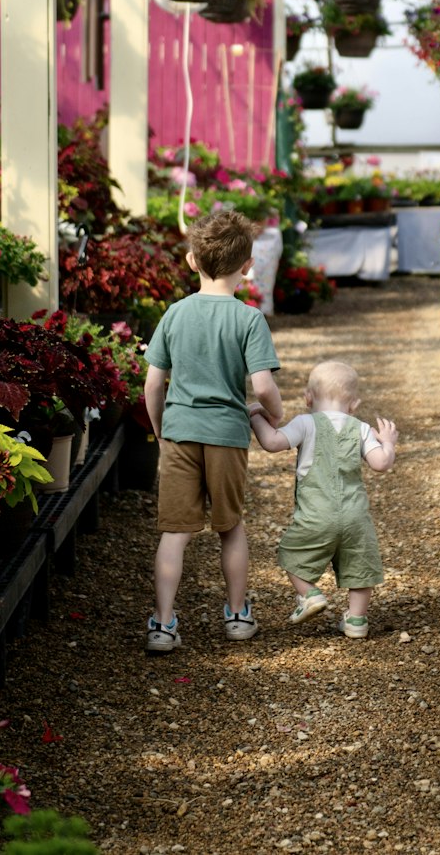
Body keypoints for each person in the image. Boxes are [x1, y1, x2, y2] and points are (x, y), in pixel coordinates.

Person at [143, 209, 283, 653]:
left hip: (181, 431)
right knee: (231, 526)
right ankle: (238, 616)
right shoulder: (248, 319)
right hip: (226, 433)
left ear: (190, 261)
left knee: (175, 533)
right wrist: (271, 412)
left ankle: (163, 624)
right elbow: (262, 385)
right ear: (248, 266)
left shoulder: (175, 314)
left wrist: (161, 429)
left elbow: (152, 383)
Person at [249, 359, 397, 640]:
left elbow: (272, 442)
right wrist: (388, 442)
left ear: (307, 398)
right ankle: (356, 620)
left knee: (290, 554)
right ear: (354, 404)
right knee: (360, 566)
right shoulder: (362, 428)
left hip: (316, 515)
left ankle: (310, 594)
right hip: (355, 517)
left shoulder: (305, 423)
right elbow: (380, 463)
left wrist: (255, 416)